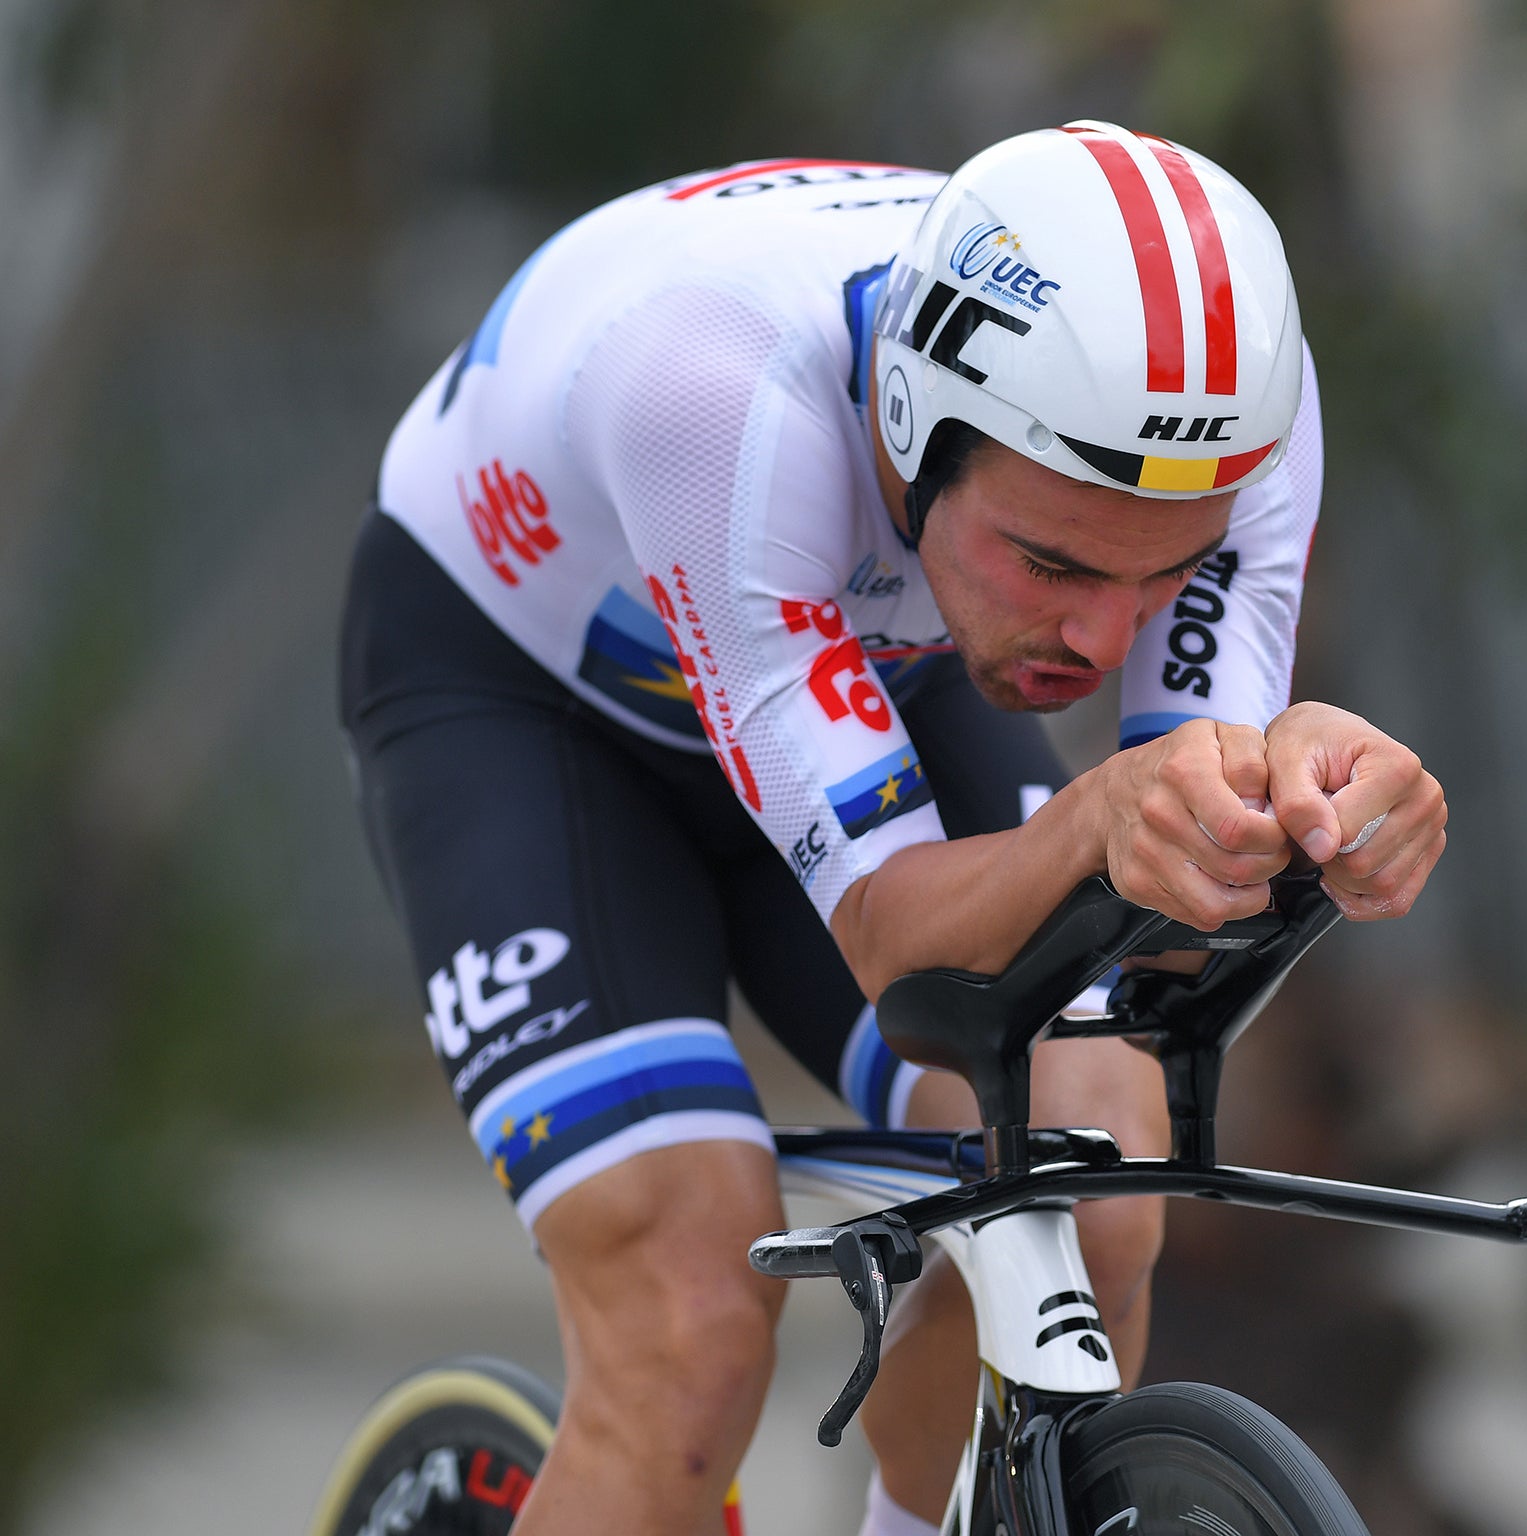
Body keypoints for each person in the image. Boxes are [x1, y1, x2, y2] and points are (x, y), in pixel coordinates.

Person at [339, 120, 1446, 1536]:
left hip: (854, 662)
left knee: (1095, 1178)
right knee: (687, 1319)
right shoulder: (717, 392)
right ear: (913, 435)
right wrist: (1110, 813)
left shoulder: (1238, 422)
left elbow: (1176, 871)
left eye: (1160, 576)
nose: (1102, 640)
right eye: (1049, 560)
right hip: (527, 704)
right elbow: (894, 938)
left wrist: (1311, 794)